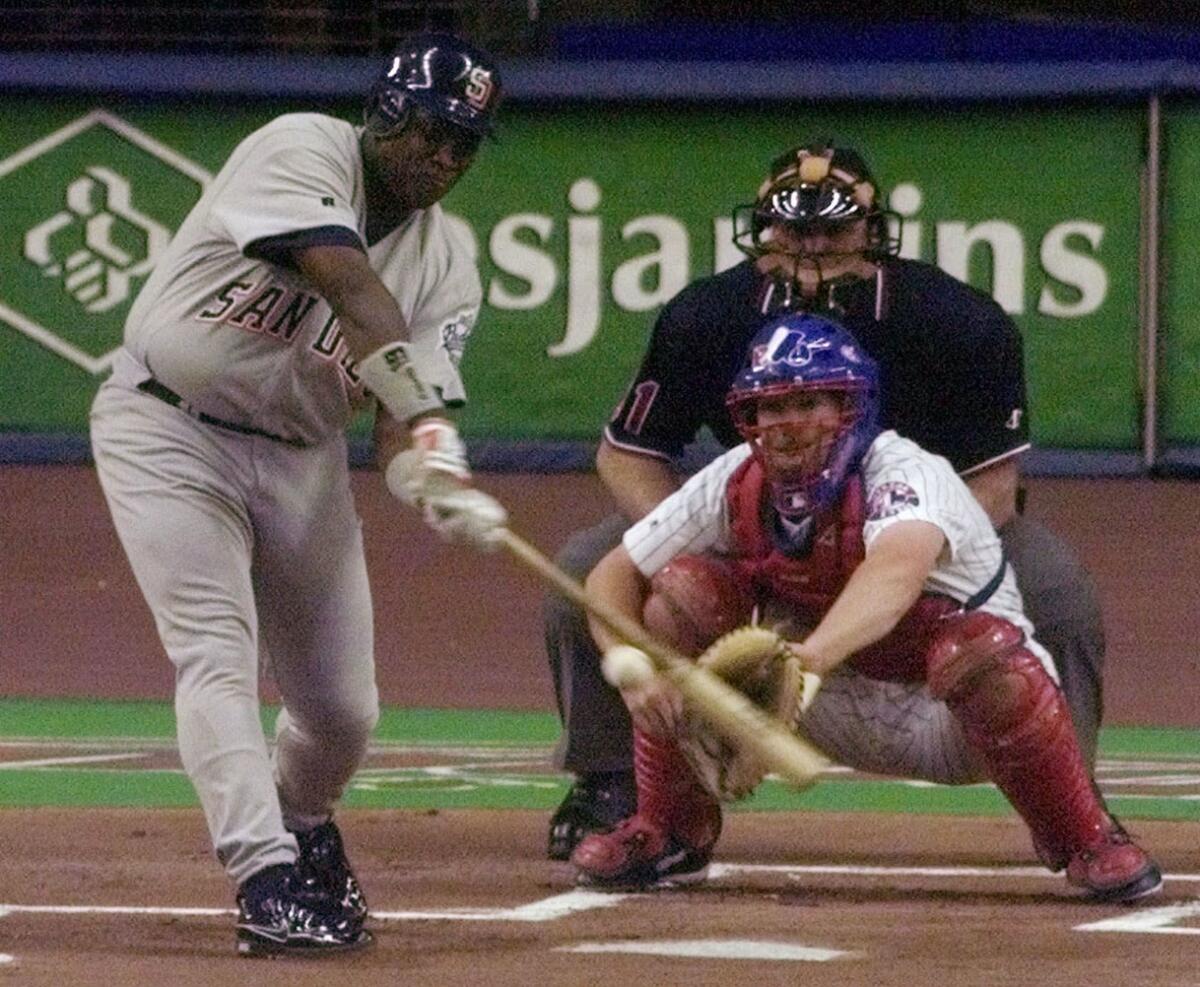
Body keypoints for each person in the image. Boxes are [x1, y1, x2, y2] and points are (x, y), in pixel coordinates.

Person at [544, 141, 1106, 860]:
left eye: (832, 232)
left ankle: (1075, 796)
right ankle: (614, 782)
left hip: (926, 519)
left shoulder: (959, 322)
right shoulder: (707, 315)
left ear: (872, 232)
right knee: (586, 572)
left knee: (1058, 595)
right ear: (762, 231)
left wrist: (881, 553)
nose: (810, 249)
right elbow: (626, 453)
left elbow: (992, 485)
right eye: (792, 231)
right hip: (761, 512)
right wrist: (689, 533)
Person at [89, 33, 507, 956]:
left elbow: (396, 426)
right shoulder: (302, 147)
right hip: (169, 427)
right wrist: (426, 412)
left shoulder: (449, 260)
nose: (446, 158)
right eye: (435, 132)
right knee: (216, 653)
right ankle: (266, 877)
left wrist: (429, 473)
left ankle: (303, 820)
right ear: (387, 111)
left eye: (466, 144)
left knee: (343, 708)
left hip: (301, 459)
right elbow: (350, 285)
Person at [570, 312, 1161, 904]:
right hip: (813, 707)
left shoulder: (907, 474)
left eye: (807, 403)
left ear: (850, 406)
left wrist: (804, 663)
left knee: (981, 652)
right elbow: (610, 577)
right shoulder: (735, 479)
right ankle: (669, 829)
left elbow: (894, 574)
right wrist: (636, 668)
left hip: (949, 716)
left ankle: (1087, 838)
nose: (784, 425)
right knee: (681, 595)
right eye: (769, 408)